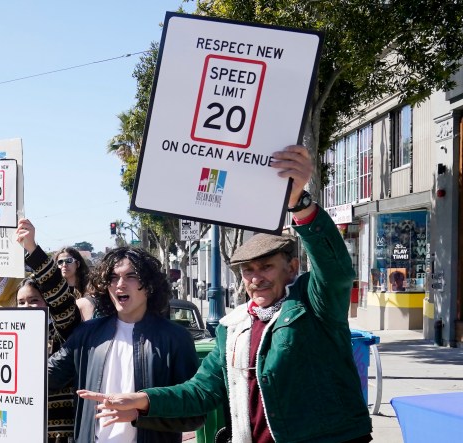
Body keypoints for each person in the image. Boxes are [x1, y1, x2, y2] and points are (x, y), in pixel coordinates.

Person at [78, 145, 373, 443]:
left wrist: (300, 203)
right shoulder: (233, 327)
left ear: (292, 267)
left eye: (266, 267)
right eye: (248, 271)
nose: (256, 278)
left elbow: (335, 271)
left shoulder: (313, 303)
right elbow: (201, 391)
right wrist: (143, 402)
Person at [47, 246, 204, 442]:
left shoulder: (175, 338)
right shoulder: (88, 334)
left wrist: (142, 413)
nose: (119, 284)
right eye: (113, 278)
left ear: (149, 285)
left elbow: (194, 414)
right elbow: (46, 377)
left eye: (131, 276)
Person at [0, 218, 81, 442]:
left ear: (48, 303)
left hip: (56, 434)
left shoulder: (63, 332)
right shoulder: (12, 334)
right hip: (15, 431)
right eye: (21, 302)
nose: (27, 307)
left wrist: (32, 249)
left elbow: (60, 297)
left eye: (34, 301)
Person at [53, 246, 96, 320]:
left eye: (69, 261)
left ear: (78, 264)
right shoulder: (54, 289)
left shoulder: (90, 286)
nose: (64, 265)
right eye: (60, 262)